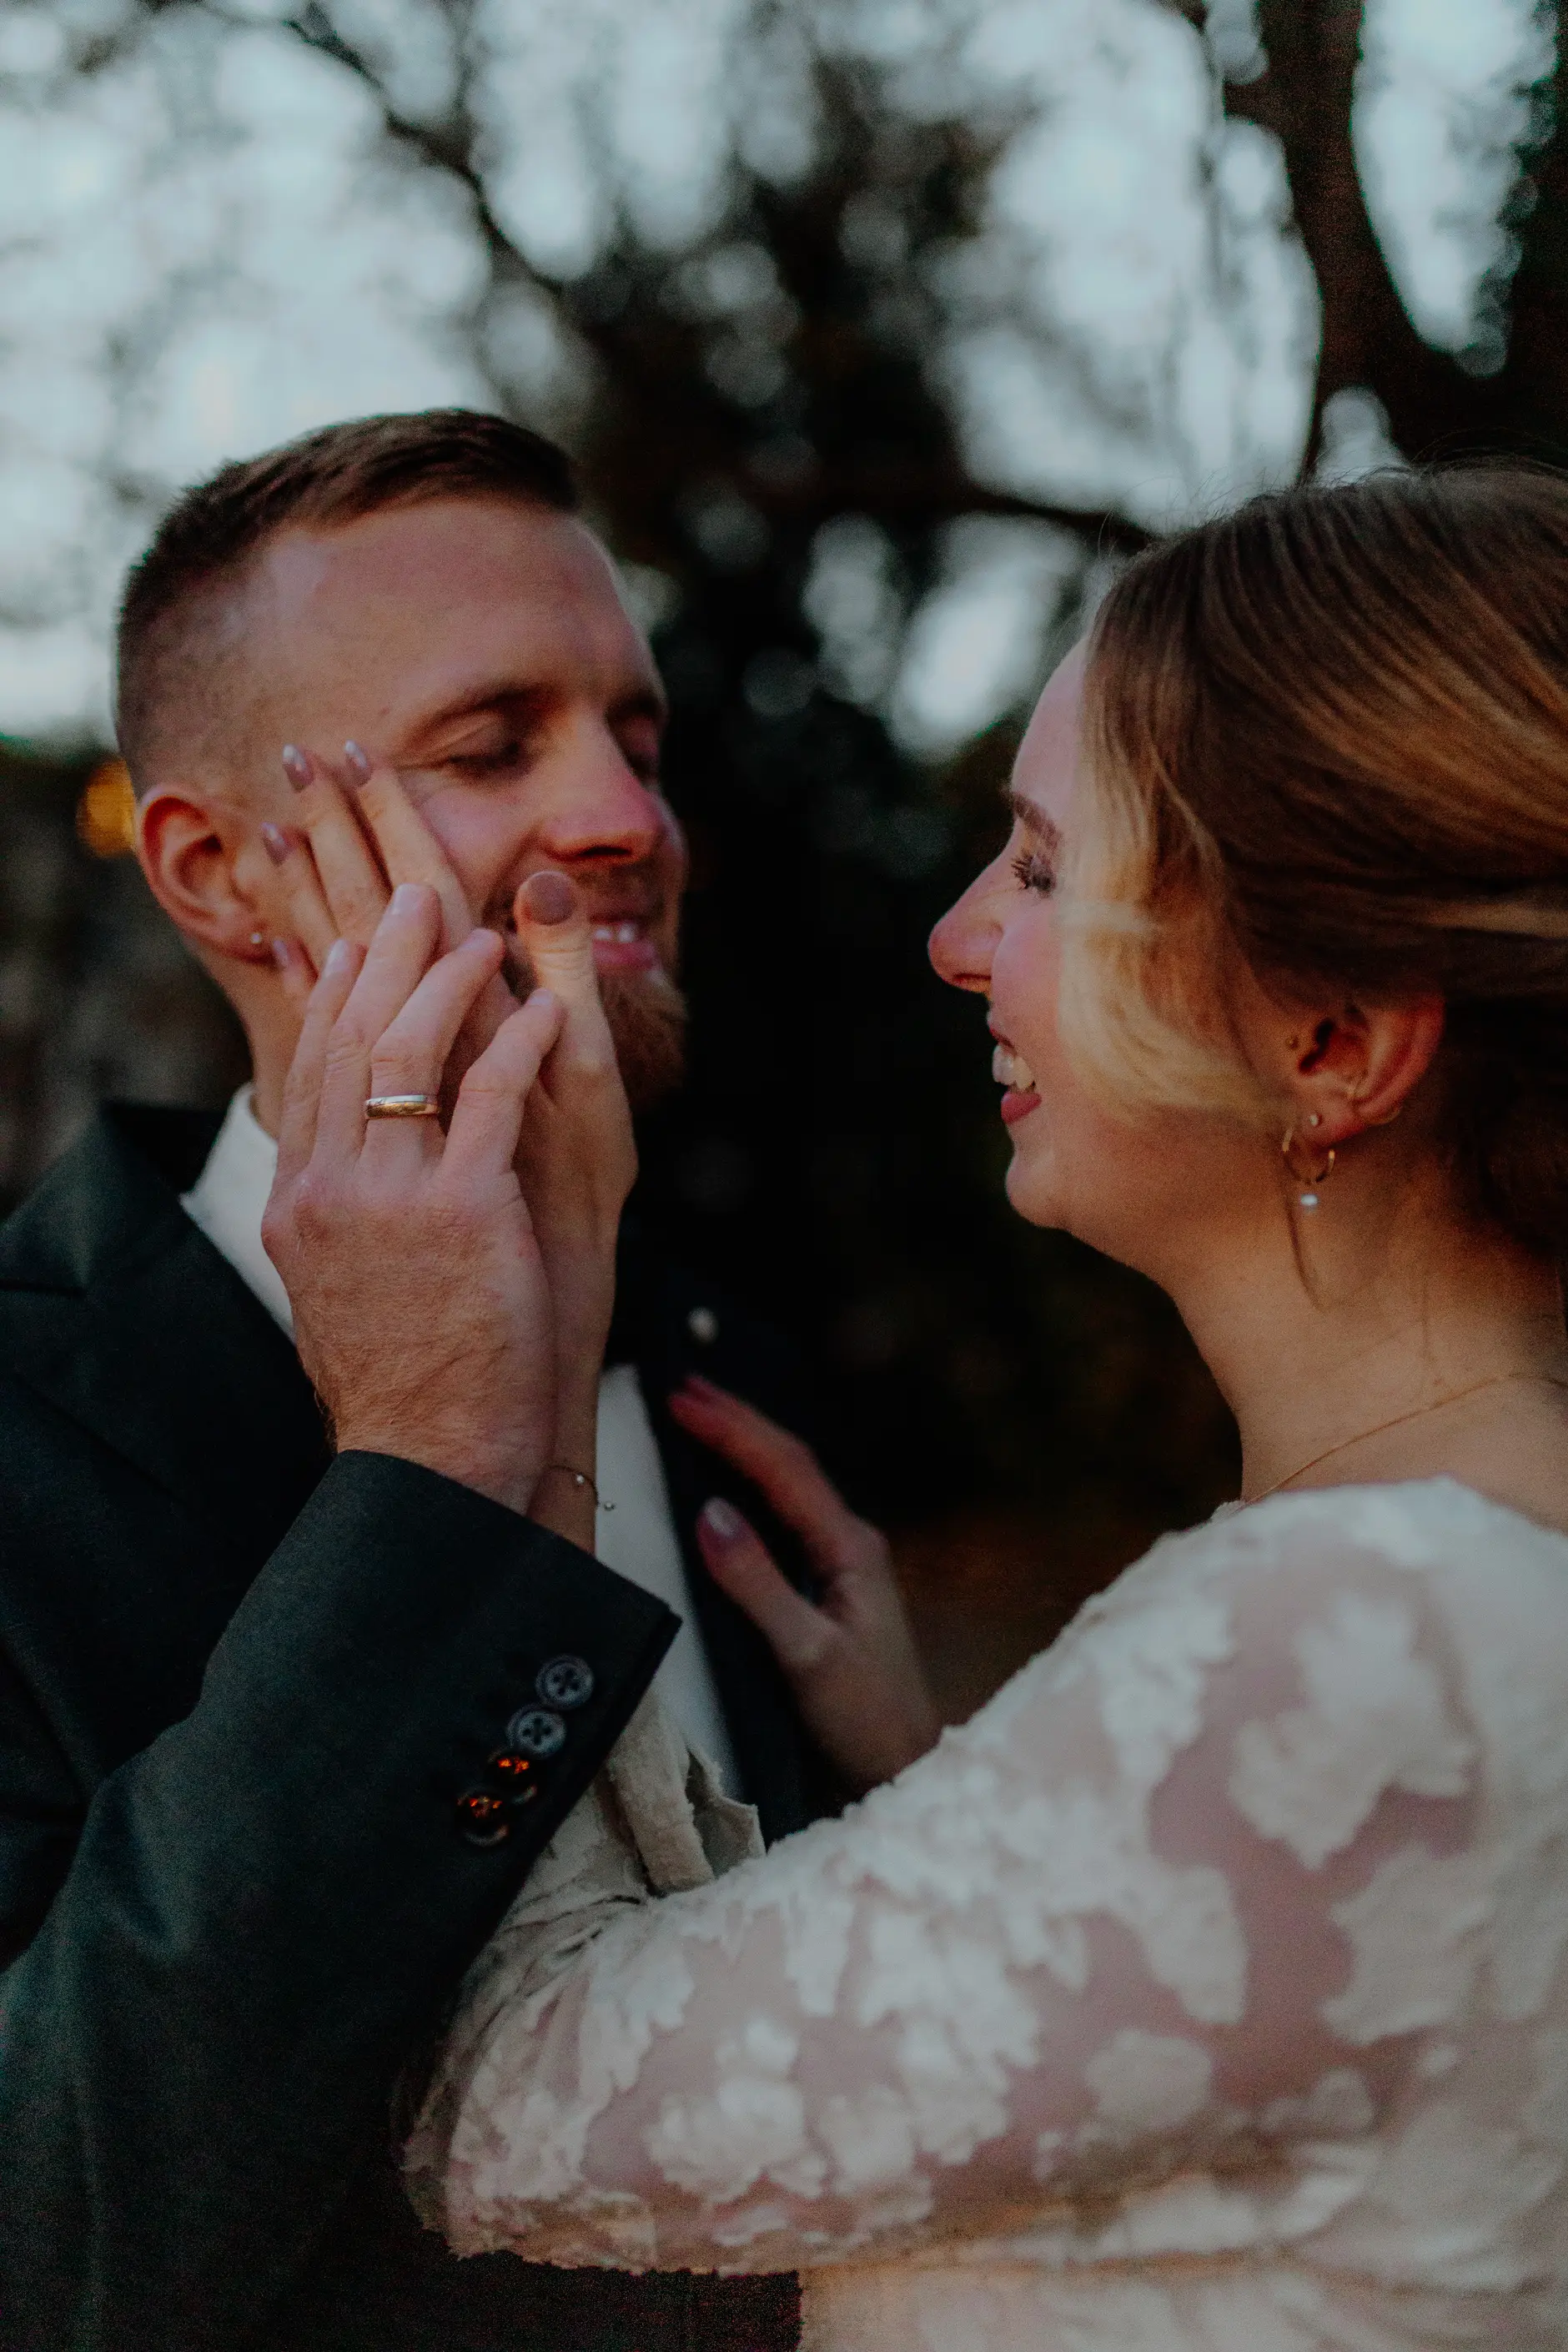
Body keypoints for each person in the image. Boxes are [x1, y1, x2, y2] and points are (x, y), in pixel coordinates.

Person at [379, 464, 1568, 2350]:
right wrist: (951, 1811)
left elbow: (496, 2102)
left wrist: (491, 1406)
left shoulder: (1354, 1651)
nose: (953, 938)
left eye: (1037, 869)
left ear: (1329, 1041)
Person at [0, 412, 934, 2352]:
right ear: (217, 871)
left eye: (641, 741)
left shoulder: (725, 1381)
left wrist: (922, 1798)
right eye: (492, 746)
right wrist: (422, 1468)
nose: (628, 821)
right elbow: (55, 2236)